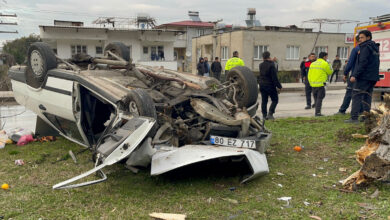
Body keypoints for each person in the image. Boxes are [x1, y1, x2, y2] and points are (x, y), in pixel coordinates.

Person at [345, 30, 380, 123]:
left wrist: (354, 75)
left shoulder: (365, 47)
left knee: (356, 95)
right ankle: (366, 117)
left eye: (362, 37)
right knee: (367, 96)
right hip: (372, 77)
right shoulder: (375, 47)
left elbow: (362, 63)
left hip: (364, 77)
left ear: (368, 37)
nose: (360, 40)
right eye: (359, 38)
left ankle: (354, 118)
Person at [336, 35, 361, 115]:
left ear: (356, 41)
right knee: (361, 94)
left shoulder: (356, 49)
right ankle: (361, 111)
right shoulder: (369, 49)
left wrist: (345, 73)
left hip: (355, 75)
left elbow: (350, 63)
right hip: (364, 76)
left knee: (349, 92)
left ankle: (342, 110)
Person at [258, 51, 282, 120]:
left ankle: (264, 116)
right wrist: (279, 86)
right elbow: (274, 77)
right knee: (275, 100)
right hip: (270, 85)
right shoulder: (272, 65)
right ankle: (270, 114)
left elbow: (265, 63)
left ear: (263, 57)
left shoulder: (260, 65)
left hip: (262, 85)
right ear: (269, 56)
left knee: (264, 101)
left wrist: (271, 61)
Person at [308, 52, 333, 116]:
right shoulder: (325, 63)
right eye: (326, 57)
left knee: (316, 99)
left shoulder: (313, 63)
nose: (327, 58)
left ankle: (317, 112)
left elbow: (309, 74)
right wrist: (329, 64)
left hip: (313, 85)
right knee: (320, 98)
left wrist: (311, 82)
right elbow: (330, 72)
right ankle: (318, 113)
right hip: (321, 84)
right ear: (324, 57)